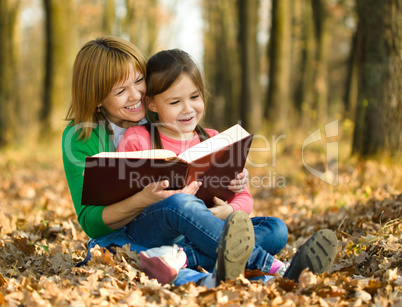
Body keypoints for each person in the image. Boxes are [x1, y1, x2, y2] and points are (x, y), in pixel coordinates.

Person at [116, 48, 338, 283]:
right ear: (151, 103)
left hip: (205, 234)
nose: (188, 109)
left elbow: (245, 199)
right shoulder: (137, 139)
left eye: (194, 97)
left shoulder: (214, 139)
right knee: (181, 202)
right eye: (174, 102)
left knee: (276, 228)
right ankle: (274, 268)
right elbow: (122, 201)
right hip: (155, 230)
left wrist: (229, 210)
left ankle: (180, 258)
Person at [62, 36, 251, 286]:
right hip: (125, 236)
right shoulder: (81, 137)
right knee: (175, 216)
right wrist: (143, 199)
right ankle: (260, 264)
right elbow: (92, 224)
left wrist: (232, 181)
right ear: (97, 98)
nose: (136, 95)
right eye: (120, 91)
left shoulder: (162, 116)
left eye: (139, 80)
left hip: (182, 231)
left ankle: (185, 262)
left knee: (273, 229)